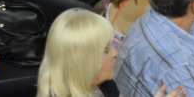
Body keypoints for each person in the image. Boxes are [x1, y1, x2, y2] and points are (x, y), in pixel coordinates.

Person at [37, 8, 178, 97]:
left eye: (112, 45)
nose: (115, 52)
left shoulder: (104, 85)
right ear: (83, 60)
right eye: (106, 50)